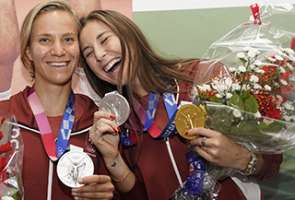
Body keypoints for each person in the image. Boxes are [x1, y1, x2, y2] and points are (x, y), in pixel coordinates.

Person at [79, 10, 283, 200]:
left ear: (129, 35)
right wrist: (113, 156)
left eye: (104, 40)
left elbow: (272, 163)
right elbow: (141, 195)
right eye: (88, 53)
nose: (99, 55)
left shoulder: (199, 77)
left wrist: (239, 157)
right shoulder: (117, 124)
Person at [0, 1, 130, 199]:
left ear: (79, 50)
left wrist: (110, 196)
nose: (59, 51)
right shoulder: (4, 116)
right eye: (45, 40)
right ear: (28, 52)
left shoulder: (99, 120)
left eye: (68, 39)